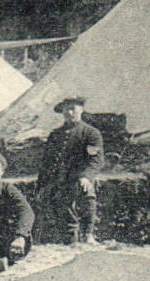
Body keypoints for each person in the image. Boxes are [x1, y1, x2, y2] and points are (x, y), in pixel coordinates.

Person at [36, 97, 105, 245]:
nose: (69, 112)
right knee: (59, 201)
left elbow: (96, 160)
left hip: (81, 178)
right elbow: (46, 162)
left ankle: (88, 234)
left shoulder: (90, 133)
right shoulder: (55, 134)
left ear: (81, 110)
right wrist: (42, 184)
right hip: (60, 179)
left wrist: (86, 177)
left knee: (87, 192)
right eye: (66, 109)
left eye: (73, 108)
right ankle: (71, 237)